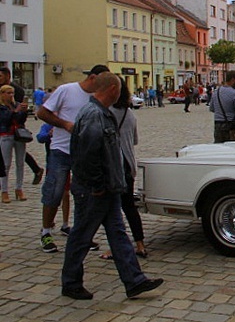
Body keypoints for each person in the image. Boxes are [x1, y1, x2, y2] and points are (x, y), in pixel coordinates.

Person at [61, 72, 163, 300]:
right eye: (118, 88)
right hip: (95, 190)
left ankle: (134, 281)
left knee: (118, 234)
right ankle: (70, 282)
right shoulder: (93, 115)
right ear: (111, 90)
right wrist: (97, 185)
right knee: (81, 236)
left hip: (109, 189)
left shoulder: (101, 113)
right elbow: (87, 155)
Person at [37, 64, 110, 253]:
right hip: (61, 150)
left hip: (84, 153)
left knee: (83, 196)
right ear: (93, 78)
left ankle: (82, 234)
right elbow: (42, 113)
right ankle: (46, 232)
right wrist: (64, 124)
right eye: (101, 82)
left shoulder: (97, 98)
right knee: (54, 191)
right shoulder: (66, 90)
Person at [100, 77, 148, 260]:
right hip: (128, 165)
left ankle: (116, 247)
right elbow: (134, 141)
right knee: (129, 207)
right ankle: (140, 244)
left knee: (112, 209)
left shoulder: (106, 112)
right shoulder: (130, 114)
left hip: (113, 165)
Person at [0, 67, 44, 184]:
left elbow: (15, 108)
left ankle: (36, 169)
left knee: (20, 152)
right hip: (3, 124)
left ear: (7, 76)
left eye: (0, 76)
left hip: (14, 125)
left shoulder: (17, 90)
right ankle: (36, 169)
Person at [0, 85, 28, 203]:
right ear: (2, 94)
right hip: (6, 135)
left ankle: (19, 188)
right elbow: (4, 119)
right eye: (8, 93)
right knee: (5, 164)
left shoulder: (16, 104)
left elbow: (21, 120)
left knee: (20, 162)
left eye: (12, 93)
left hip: (19, 135)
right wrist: (15, 112)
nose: (11, 95)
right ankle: (4, 190)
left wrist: (24, 112)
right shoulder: (1, 107)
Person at [208, 71, 235, 143]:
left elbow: (211, 108)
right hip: (230, 125)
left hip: (217, 124)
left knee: (219, 147)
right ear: (233, 80)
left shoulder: (216, 91)